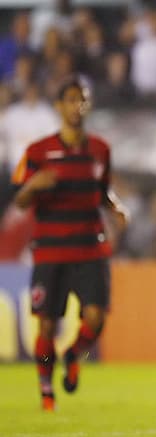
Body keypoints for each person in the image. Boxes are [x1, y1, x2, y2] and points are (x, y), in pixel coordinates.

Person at [10, 76, 128, 411]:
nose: (77, 105)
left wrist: (116, 207)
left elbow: (102, 191)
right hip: (50, 250)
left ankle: (74, 353)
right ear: (59, 106)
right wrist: (35, 185)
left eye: (83, 99)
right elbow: (19, 201)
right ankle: (46, 388)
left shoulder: (100, 150)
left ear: (87, 106)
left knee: (95, 318)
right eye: (71, 99)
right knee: (47, 323)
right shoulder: (37, 152)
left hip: (91, 247)